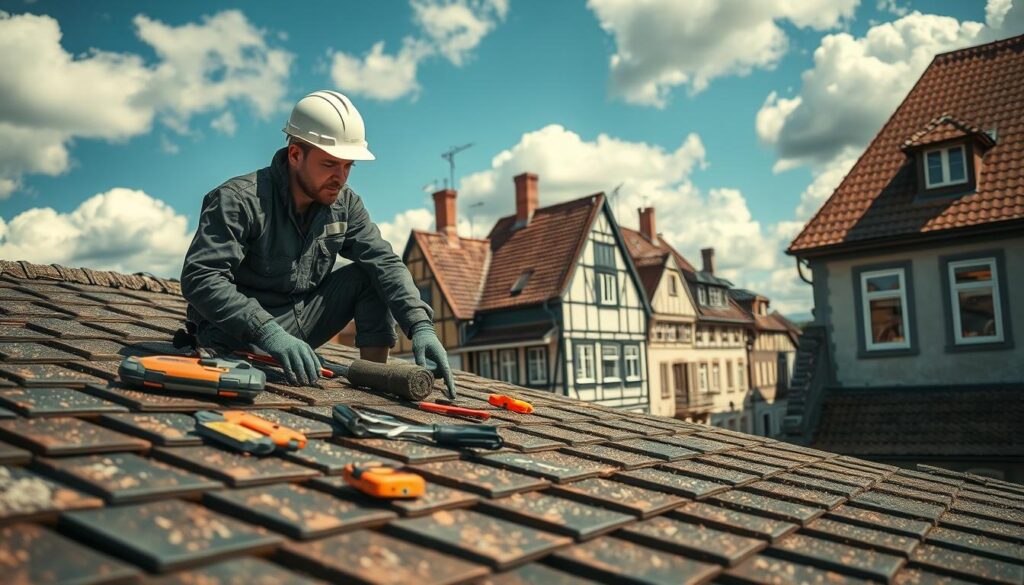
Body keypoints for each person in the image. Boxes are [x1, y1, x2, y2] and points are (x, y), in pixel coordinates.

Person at [180, 90, 455, 397]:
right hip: (235, 333)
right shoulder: (238, 200)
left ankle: (374, 380)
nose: (341, 177)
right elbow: (201, 277)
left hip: (298, 325)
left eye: (348, 165)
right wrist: (268, 331)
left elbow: (385, 262)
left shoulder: (345, 205)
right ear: (295, 155)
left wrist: (420, 325)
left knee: (370, 273)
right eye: (329, 164)